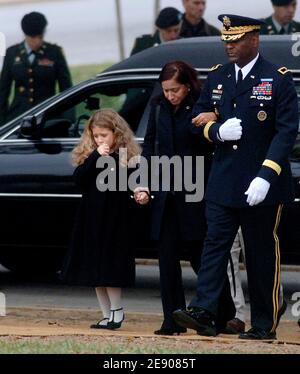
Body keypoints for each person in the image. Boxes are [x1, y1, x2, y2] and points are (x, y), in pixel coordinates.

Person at [173, 14, 299, 340]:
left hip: (261, 184)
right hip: (224, 179)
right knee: (214, 245)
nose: (228, 45)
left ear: (254, 40)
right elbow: (196, 122)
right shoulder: (218, 77)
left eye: (235, 39)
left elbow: (286, 134)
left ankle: (264, 323)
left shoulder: (277, 79)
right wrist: (216, 130)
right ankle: (203, 308)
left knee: (260, 255)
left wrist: (266, 176)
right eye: (226, 40)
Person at [134, 61, 236, 335]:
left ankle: (222, 315)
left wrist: (209, 119)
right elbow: (150, 150)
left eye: (175, 90)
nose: (170, 95)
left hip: (196, 194)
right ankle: (171, 320)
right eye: (166, 90)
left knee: (202, 259)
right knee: (166, 260)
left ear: (187, 85)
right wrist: (142, 182)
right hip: (166, 197)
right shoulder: (157, 108)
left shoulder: (201, 107)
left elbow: (210, 143)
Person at [61, 109, 140, 330]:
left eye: (103, 135)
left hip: (115, 219)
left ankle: (117, 310)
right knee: (95, 268)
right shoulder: (91, 156)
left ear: (115, 133)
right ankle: (106, 314)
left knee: (110, 267)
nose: (99, 140)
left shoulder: (124, 156)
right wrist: (96, 155)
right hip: (92, 218)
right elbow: (79, 179)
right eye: (96, 136)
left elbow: (130, 182)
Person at [0, 11, 72, 125]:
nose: (37, 41)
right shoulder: (12, 53)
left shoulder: (54, 52)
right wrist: (2, 124)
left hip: (48, 118)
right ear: (25, 35)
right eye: (33, 37)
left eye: (40, 37)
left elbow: (67, 89)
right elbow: (3, 91)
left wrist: (69, 121)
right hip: (18, 118)